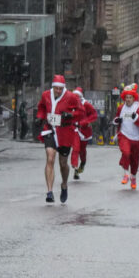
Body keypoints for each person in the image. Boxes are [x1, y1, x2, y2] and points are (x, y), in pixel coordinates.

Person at [35, 75, 82, 204]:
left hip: (64, 132)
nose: (58, 91)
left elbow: (81, 111)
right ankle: (49, 192)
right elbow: (42, 107)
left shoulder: (71, 97)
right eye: (56, 89)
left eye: (60, 89)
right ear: (52, 87)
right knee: (50, 157)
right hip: (50, 129)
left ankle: (64, 184)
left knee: (63, 163)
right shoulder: (45, 95)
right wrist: (39, 117)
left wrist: (70, 114)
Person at [114, 84, 139, 189]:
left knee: (134, 160)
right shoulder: (121, 108)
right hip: (124, 135)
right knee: (126, 152)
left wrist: (136, 118)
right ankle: (126, 174)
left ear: (134, 98)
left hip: (137, 137)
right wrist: (117, 121)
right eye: (126, 98)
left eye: (130, 98)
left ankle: (133, 177)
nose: (128, 100)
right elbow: (117, 119)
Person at [71, 87, 98, 179]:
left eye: (77, 96)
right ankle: (75, 166)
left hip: (84, 131)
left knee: (82, 150)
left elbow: (94, 114)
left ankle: (82, 164)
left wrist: (84, 122)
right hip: (74, 130)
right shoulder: (70, 104)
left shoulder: (86, 104)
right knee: (76, 148)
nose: (75, 98)